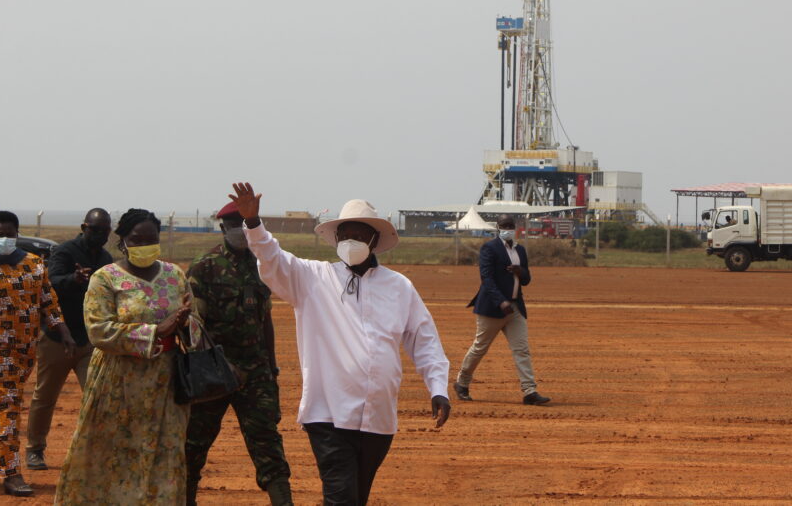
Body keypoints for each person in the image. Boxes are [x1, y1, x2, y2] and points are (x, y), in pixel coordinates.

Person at [229, 183, 450, 506]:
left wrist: (438, 387)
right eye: (345, 234)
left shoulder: (399, 287)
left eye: (359, 234)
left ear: (374, 241)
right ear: (336, 239)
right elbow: (273, 260)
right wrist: (253, 223)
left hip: (378, 418)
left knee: (355, 497)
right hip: (328, 415)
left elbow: (423, 339)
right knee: (341, 495)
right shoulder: (311, 279)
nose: (351, 241)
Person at [55, 209, 198, 505]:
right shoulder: (105, 278)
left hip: (165, 383)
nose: (144, 244)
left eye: (151, 239)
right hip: (116, 383)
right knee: (110, 452)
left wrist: (185, 325)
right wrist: (155, 330)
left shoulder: (175, 275)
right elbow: (98, 330)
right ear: (122, 241)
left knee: (164, 451)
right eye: (137, 239)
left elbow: (195, 326)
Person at [185, 202, 292, 506]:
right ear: (223, 229)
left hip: (256, 371)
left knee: (268, 444)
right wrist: (219, 366)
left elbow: (265, 318)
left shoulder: (262, 265)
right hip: (213, 371)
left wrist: (272, 368)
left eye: (245, 226)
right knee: (193, 445)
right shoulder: (204, 267)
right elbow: (194, 325)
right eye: (235, 226)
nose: (240, 233)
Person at [0, 210, 73, 497]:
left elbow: (48, 301)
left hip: (22, 352)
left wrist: (63, 330)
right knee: (5, 408)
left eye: (10, 233)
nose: (4, 239)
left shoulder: (33, 264)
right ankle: (11, 473)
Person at [24, 208, 113, 471]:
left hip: (87, 340)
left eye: (105, 231)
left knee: (95, 396)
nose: (100, 235)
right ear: (84, 227)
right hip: (57, 338)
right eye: (95, 230)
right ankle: (34, 450)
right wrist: (73, 279)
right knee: (45, 397)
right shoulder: (64, 252)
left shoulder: (106, 258)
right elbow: (50, 284)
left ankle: (92, 451)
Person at [453, 214, 551, 406]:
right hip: (493, 308)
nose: (508, 228)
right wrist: (501, 302)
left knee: (521, 350)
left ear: (516, 228)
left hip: (515, 308)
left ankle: (529, 391)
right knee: (480, 347)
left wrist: (520, 272)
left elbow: (527, 279)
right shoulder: (490, 248)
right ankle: (461, 383)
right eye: (504, 225)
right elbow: (486, 278)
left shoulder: (520, 250)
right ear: (498, 227)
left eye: (511, 225)